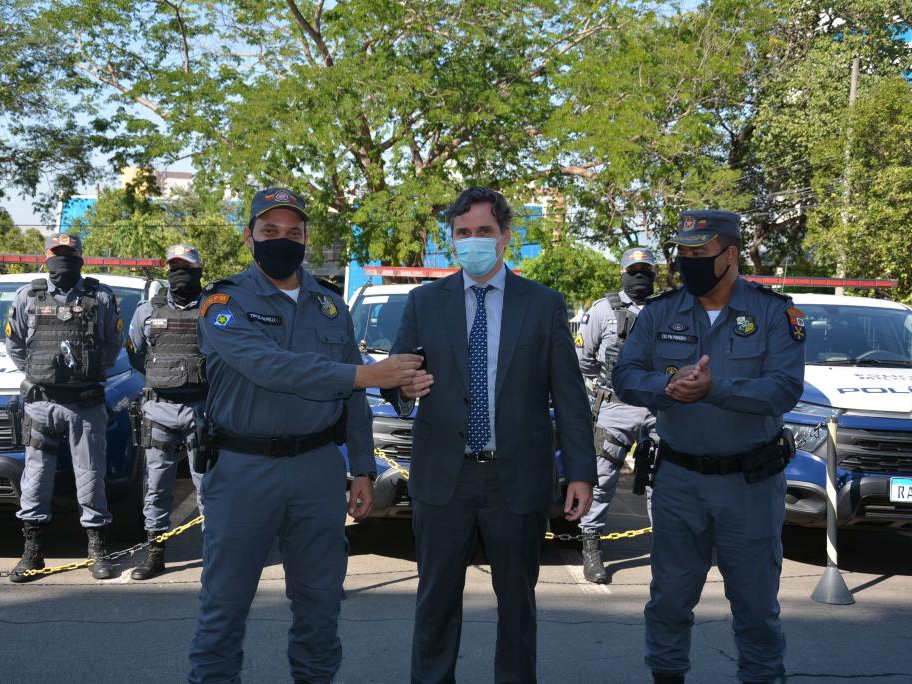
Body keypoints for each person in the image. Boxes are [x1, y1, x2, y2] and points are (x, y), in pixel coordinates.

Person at [187, 188, 423, 684]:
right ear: (249, 234)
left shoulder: (331, 306)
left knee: (319, 603)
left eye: (293, 232)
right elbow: (268, 366)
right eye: (270, 231)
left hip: (317, 468)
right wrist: (364, 375)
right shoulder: (222, 301)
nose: (282, 240)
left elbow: (353, 400)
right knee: (224, 605)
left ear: (307, 239)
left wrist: (362, 467)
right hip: (241, 468)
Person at [384, 187, 596, 684]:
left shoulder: (543, 305)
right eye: (463, 234)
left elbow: (569, 397)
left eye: (483, 232)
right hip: (444, 480)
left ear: (504, 238)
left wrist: (581, 473)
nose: (473, 241)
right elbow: (396, 381)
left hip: (516, 480)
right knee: (435, 605)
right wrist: (405, 389)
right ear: (451, 240)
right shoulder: (423, 303)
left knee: (518, 608)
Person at [612, 210, 804, 684]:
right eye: (682, 253)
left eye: (699, 253)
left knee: (756, 607)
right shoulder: (659, 312)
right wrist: (670, 384)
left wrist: (715, 389)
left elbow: (784, 389)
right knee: (670, 600)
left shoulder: (775, 313)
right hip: (679, 482)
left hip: (750, 484)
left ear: (730, 254)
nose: (687, 262)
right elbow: (626, 377)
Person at [6, 233, 123, 582]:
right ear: (46, 257)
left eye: (69, 254)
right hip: (42, 403)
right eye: (57, 253)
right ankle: (32, 555)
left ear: (80, 257)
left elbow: (111, 345)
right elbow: (15, 343)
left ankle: (98, 552)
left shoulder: (99, 296)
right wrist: (41, 373)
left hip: (84, 405)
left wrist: (81, 373)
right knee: (35, 481)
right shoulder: (29, 295)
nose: (63, 260)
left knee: (90, 479)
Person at [575, 246, 659, 584]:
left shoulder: (667, 310)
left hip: (656, 406)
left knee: (661, 480)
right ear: (623, 272)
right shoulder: (602, 310)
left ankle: (665, 550)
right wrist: (610, 378)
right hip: (615, 406)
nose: (640, 275)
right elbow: (583, 359)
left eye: (646, 270)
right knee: (602, 478)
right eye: (634, 269)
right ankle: (591, 547)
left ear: (655, 273)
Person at [126, 244, 207, 580]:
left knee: (208, 488)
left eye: (186, 267)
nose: (179, 273)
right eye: (174, 266)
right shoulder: (147, 310)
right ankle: (155, 554)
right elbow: (136, 354)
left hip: (202, 410)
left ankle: (214, 556)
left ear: (199, 271)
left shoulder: (213, 309)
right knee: (157, 487)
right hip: (160, 409)